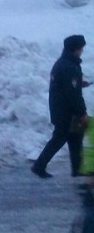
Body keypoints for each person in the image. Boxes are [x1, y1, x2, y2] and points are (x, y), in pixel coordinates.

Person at [31, 35, 88, 179]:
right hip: (66, 112)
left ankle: (78, 169)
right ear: (75, 49)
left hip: (60, 109)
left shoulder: (63, 63)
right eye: (81, 48)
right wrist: (82, 112)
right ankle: (39, 166)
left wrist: (79, 83)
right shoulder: (69, 66)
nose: (82, 51)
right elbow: (72, 94)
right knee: (60, 138)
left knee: (75, 137)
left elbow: (65, 85)